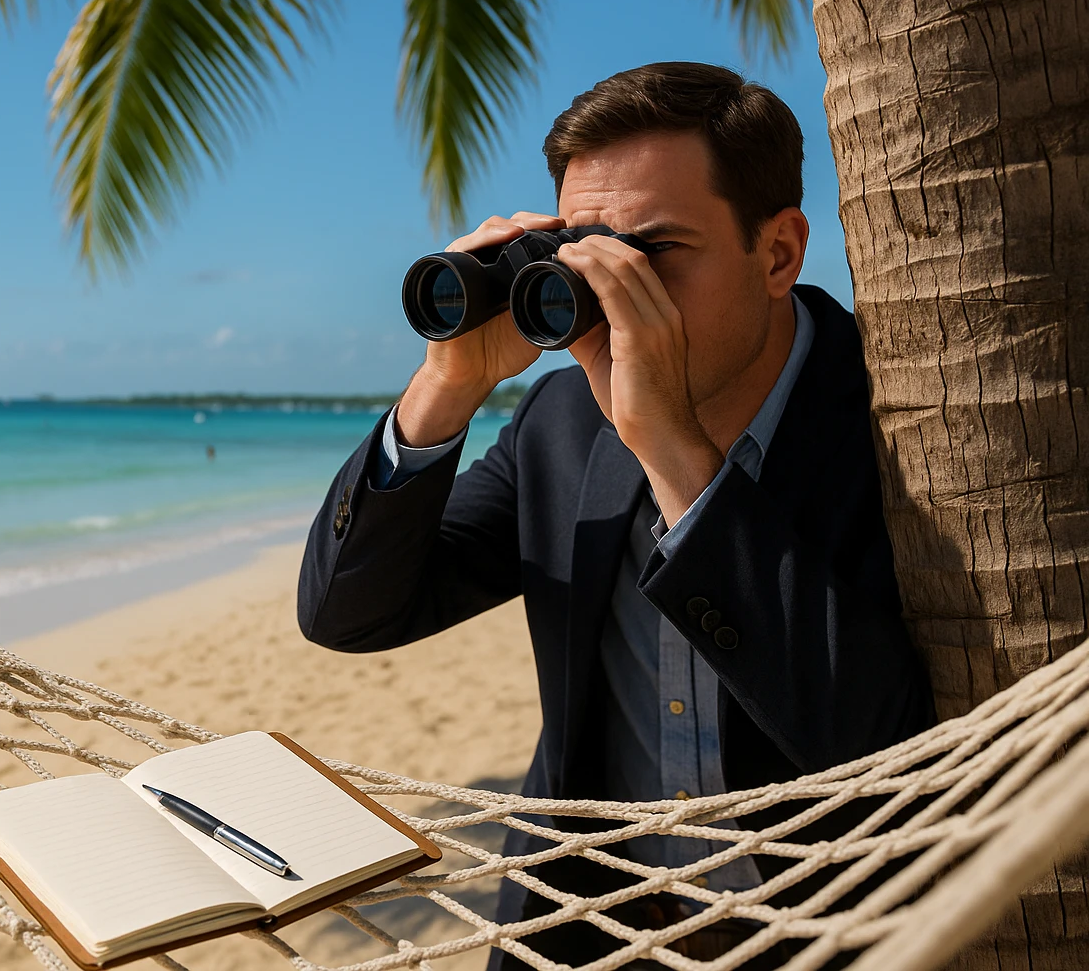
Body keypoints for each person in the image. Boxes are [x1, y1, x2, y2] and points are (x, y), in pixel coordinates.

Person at [297, 62, 935, 969]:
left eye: (653, 253)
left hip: (821, 934)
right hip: (587, 925)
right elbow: (346, 613)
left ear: (779, 252)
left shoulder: (908, 416)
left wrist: (673, 450)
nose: (609, 292)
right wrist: (450, 381)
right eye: (586, 251)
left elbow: (882, 752)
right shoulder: (561, 422)